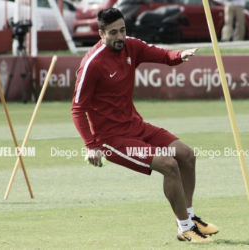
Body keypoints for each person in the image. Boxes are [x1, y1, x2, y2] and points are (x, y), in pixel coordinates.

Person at [72, 8, 219, 243]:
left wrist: (180, 54)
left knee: (187, 155)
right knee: (169, 164)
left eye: (122, 30)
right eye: (113, 33)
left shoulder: (131, 45)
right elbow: (78, 109)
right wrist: (91, 145)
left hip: (136, 126)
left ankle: (190, 219)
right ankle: (184, 229)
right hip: (111, 140)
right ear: (101, 34)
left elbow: (163, 55)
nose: (120, 37)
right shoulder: (91, 64)